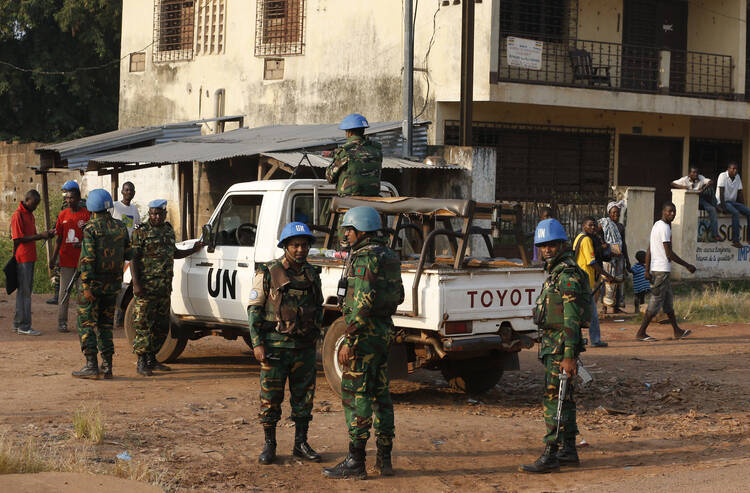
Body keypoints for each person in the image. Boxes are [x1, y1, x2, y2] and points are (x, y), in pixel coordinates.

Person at [323, 206, 404, 480]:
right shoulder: (389, 256)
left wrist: (350, 340)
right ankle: (385, 459)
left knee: (356, 395)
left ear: (361, 230)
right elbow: (399, 295)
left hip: (364, 336)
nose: (346, 234)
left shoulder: (365, 259)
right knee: (381, 396)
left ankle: (355, 461)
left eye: (349, 229)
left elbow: (363, 303)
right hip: (383, 333)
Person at [248, 222, 323, 465]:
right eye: (295, 245)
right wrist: (257, 343)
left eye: (304, 245)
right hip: (275, 348)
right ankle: (270, 445)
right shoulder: (268, 272)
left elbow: (318, 308)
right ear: (285, 246)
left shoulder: (312, 274)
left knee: (304, 399)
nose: (301, 249)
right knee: (270, 399)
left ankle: (300, 443)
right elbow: (254, 309)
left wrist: (315, 337)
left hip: (304, 349)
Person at [521, 218, 589, 474]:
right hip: (557, 346)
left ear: (562, 244)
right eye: (543, 245)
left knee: (555, 400)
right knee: (566, 400)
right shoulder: (558, 272)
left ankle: (551, 453)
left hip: (561, 348)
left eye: (551, 244)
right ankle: (569, 450)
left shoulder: (567, 276)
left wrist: (569, 355)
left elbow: (571, 317)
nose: (547, 249)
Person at [130, 200, 203, 376]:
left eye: (159, 214)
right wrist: (136, 283)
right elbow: (133, 259)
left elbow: (174, 253)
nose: (155, 217)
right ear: (149, 213)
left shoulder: (168, 230)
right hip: (146, 288)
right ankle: (141, 361)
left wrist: (193, 249)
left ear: (164, 214)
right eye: (153, 213)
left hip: (163, 287)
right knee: (144, 324)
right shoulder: (141, 232)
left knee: (161, 326)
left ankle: (152, 359)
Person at [72, 189, 131, 380]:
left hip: (93, 287)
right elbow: (129, 254)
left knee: (87, 324)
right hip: (112, 287)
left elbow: (87, 259)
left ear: (91, 208)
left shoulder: (90, 229)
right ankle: (107, 367)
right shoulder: (121, 227)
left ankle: (91, 365)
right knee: (106, 326)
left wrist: (87, 286)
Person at [635, 202, 696, 342]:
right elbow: (669, 253)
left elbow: (649, 249)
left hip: (659, 270)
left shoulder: (656, 225)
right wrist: (687, 265)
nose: (672, 214)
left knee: (668, 303)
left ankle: (677, 331)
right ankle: (641, 332)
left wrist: (647, 269)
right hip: (661, 270)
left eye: (674, 212)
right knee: (655, 303)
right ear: (663, 211)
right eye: (669, 211)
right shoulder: (664, 228)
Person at [11, 190, 55, 336]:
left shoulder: (29, 214)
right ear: (27, 199)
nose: (35, 207)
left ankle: (18, 323)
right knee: (25, 293)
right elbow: (17, 239)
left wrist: (44, 235)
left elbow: (30, 235)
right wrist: (39, 236)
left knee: (22, 292)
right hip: (23, 258)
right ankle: (24, 325)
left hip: (29, 257)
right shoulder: (18, 215)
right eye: (34, 204)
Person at [49, 184, 90, 333]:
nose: (69, 200)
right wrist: (53, 258)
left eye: (72, 197)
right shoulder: (63, 215)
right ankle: (62, 322)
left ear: (78, 198)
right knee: (64, 293)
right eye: (67, 198)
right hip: (66, 261)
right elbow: (59, 238)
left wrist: (82, 244)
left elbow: (91, 237)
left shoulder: (87, 215)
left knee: (82, 293)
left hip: (82, 262)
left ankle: (83, 322)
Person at [325, 113, 383, 197]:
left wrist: (335, 157)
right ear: (363, 130)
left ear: (349, 132)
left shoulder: (345, 151)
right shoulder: (376, 150)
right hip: (373, 200)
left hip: (350, 202)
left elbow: (330, 177)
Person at [573, 217, 609, 348]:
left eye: (594, 225)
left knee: (577, 311)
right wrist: (607, 275)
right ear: (584, 226)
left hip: (578, 279)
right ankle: (595, 339)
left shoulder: (578, 237)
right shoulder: (587, 240)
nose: (593, 228)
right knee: (593, 312)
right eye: (590, 225)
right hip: (585, 280)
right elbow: (591, 262)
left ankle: (577, 339)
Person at [47, 180, 82, 305]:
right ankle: (58, 295)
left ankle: (57, 295)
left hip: (73, 249)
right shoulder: (71, 205)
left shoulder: (81, 208)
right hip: (67, 249)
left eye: (68, 195)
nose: (67, 199)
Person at [672, 167, 721, 242]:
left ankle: (715, 234)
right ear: (689, 174)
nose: (696, 174)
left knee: (712, 209)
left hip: (700, 199)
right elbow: (672, 183)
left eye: (697, 172)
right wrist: (683, 187)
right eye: (694, 172)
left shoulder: (701, 178)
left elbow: (710, 182)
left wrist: (702, 190)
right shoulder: (684, 179)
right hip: (689, 201)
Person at [599, 201, 627, 314]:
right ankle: (604, 307)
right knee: (607, 281)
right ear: (609, 213)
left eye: (618, 213)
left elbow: (624, 244)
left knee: (618, 281)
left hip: (619, 257)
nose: (616, 215)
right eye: (614, 212)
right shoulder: (604, 224)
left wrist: (627, 261)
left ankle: (615, 306)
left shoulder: (620, 227)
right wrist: (602, 244)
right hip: (608, 258)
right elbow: (595, 234)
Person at [715, 161, 750, 248]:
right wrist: (723, 207)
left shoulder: (737, 177)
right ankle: (735, 240)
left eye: (736, 169)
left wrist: (744, 206)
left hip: (733, 202)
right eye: (733, 168)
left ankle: (749, 238)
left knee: (748, 211)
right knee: (735, 213)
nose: (735, 170)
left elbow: (740, 193)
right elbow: (721, 192)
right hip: (723, 201)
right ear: (728, 169)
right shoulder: (722, 176)